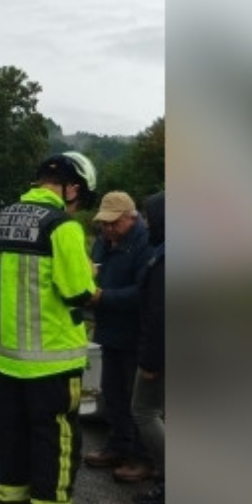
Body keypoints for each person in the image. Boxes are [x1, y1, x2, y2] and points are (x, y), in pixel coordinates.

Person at [0, 151, 100, 504]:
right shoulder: (61, 226)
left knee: (12, 434)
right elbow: (77, 291)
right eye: (80, 196)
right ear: (72, 186)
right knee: (57, 440)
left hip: (9, 358)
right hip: (52, 360)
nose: (78, 203)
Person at [82, 192, 154, 483]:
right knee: (111, 392)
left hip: (136, 332)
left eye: (114, 223)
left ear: (131, 218)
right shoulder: (104, 241)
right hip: (109, 330)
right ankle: (118, 445)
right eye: (104, 224)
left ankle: (143, 457)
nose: (108, 229)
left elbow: (144, 292)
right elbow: (94, 269)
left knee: (136, 399)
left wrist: (104, 297)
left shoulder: (145, 245)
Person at [131, 191, 165, 504]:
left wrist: (150, 361)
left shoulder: (163, 259)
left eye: (149, 217)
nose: (145, 222)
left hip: (162, 353)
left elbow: (159, 315)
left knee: (144, 411)